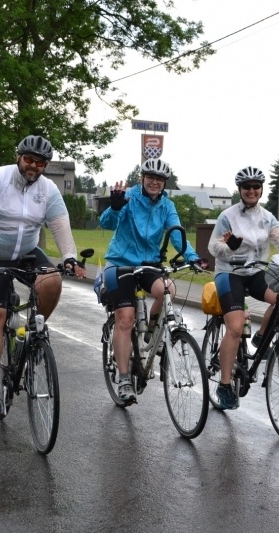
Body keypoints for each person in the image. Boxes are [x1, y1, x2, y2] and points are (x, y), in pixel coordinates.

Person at [0, 134, 87, 417]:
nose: (33, 166)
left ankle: (34, 332)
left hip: (26, 251)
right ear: (19, 157)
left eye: (40, 162)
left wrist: (69, 258)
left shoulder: (48, 189)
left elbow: (60, 226)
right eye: (29, 159)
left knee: (52, 281)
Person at [99, 158, 206, 405]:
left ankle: (149, 335)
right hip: (120, 263)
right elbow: (107, 223)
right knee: (125, 319)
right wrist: (114, 208)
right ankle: (124, 379)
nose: (155, 182)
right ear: (142, 178)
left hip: (149, 263)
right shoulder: (129, 197)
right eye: (150, 177)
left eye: (159, 179)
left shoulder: (167, 205)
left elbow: (177, 234)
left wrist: (193, 257)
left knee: (167, 289)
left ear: (164, 183)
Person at [207, 166, 279, 410]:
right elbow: (213, 248)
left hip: (256, 272)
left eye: (256, 187)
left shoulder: (267, 217)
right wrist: (229, 247)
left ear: (261, 189)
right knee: (235, 327)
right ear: (240, 190)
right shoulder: (227, 216)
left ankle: (262, 337)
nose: (252, 191)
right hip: (229, 273)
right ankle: (225, 384)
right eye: (247, 187)